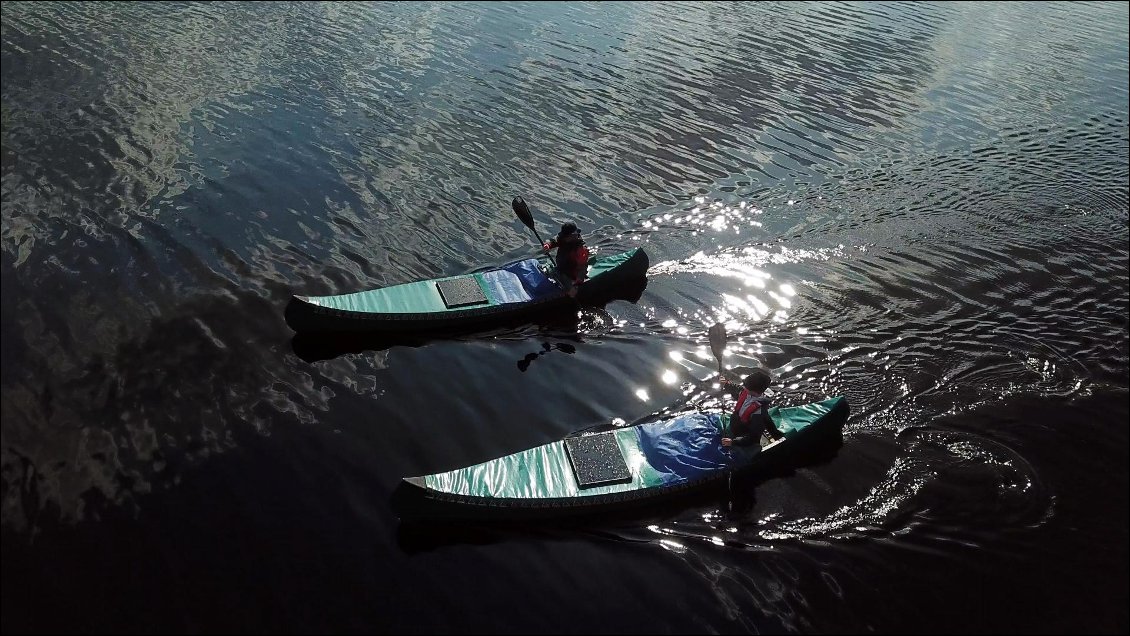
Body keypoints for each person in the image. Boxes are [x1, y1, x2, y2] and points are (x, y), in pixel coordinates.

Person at [720, 368, 785, 447]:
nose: (744, 388)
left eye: (746, 388)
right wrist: (726, 384)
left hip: (743, 433)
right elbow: (737, 389)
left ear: (754, 392)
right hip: (736, 423)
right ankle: (776, 434)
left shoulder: (758, 413)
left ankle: (779, 438)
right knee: (767, 422)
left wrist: (733, 442)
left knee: (765, 423)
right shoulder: (747, 391)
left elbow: (753, 437)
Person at [542, 222, 590, 297]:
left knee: (570, 290)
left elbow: (582, 268)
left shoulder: (581, 249)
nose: (564, 237)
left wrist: (577, 284)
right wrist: (547, 245)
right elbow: (554, 240)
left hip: (572, 274)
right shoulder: (564, 238)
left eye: (566, 236)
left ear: (573, 235)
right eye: (564, 236)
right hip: (561, 268)